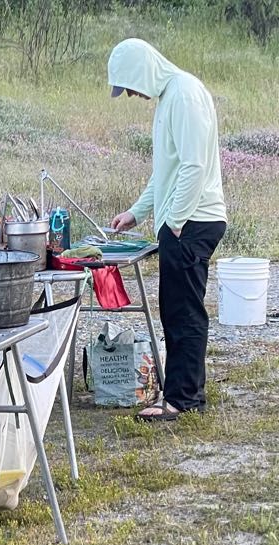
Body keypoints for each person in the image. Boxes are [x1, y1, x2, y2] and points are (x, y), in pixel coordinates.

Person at [107, 38, 227, 422]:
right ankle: (183, 389)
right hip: (182, 222)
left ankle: (182, 398)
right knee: (175, 309)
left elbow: (193, 166)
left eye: (129, 86)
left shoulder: (185, 95)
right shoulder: (169, 97)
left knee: (183, 312)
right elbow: (166, 173)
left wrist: (173, 221)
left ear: (143, 70)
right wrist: (137, 212)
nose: (131, 95)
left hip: (192, 222)